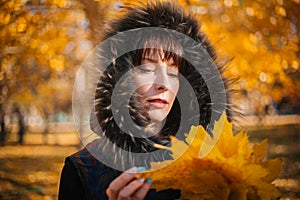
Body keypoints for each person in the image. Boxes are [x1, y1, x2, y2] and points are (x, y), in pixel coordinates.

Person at [59, 1, 232, 199]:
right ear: (118, 79)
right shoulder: (84, 169)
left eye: (174, 73)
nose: (164, 83)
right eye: (147, 69)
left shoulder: (212, 162)